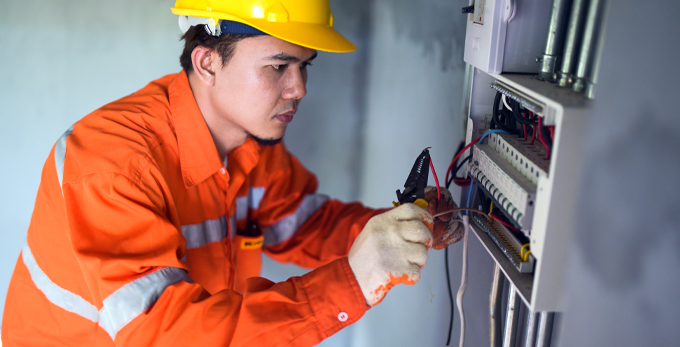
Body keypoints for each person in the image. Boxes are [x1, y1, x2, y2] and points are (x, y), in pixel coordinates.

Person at [2, 1, 459, 346]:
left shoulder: (251, 145)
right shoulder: (112, 164)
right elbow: (167, 334)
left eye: (303, 67)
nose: (299, 89)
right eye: (278, 66)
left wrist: (402, 232)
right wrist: (355, 281)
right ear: (207, 63)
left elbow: (308, 225)